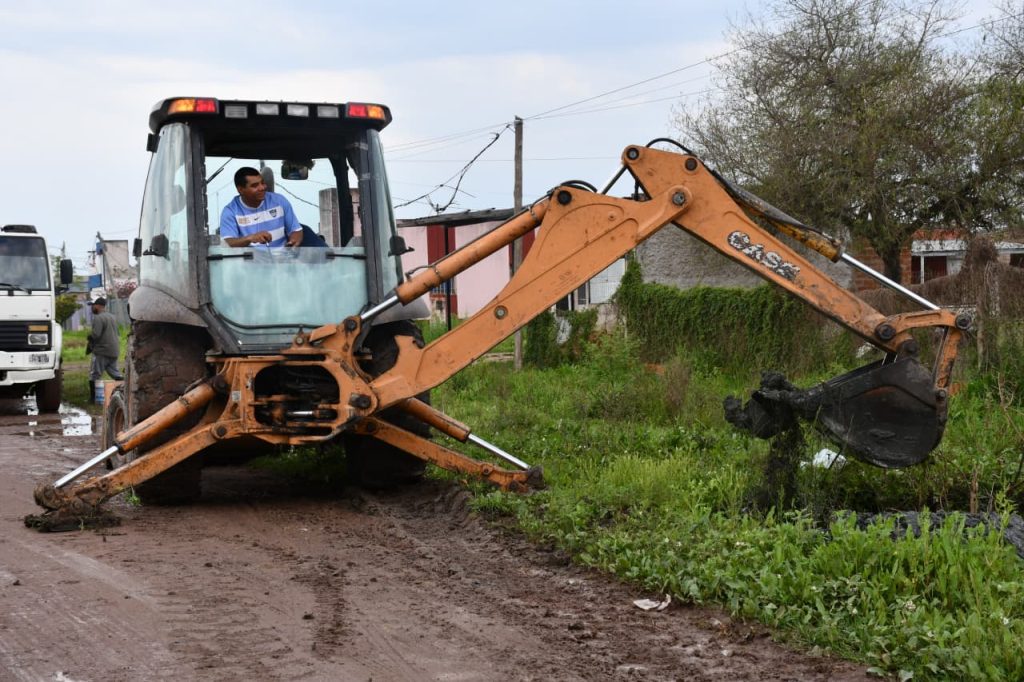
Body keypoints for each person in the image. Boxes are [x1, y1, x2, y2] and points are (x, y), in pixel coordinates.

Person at [220, 167, 303, 248]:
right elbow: (227, 243)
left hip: (282, 259)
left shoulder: (279, 201)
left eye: (262, 183)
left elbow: (296, 230)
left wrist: (292, 243)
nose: (262, 188)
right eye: (255, 185)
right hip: (250, 260)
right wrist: (250, 238)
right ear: (241, 190)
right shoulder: (230, 211)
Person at [87, 297, 123, 403]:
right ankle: (123, 392)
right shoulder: (112, 317)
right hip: (114, 350)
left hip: (102, 351)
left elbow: (96, 335)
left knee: (94, 374)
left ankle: (93, 399)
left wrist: (89, 338)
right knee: (115, 373)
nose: (92, 307)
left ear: (98, 306)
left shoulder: (98, 318)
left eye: (93, 305)